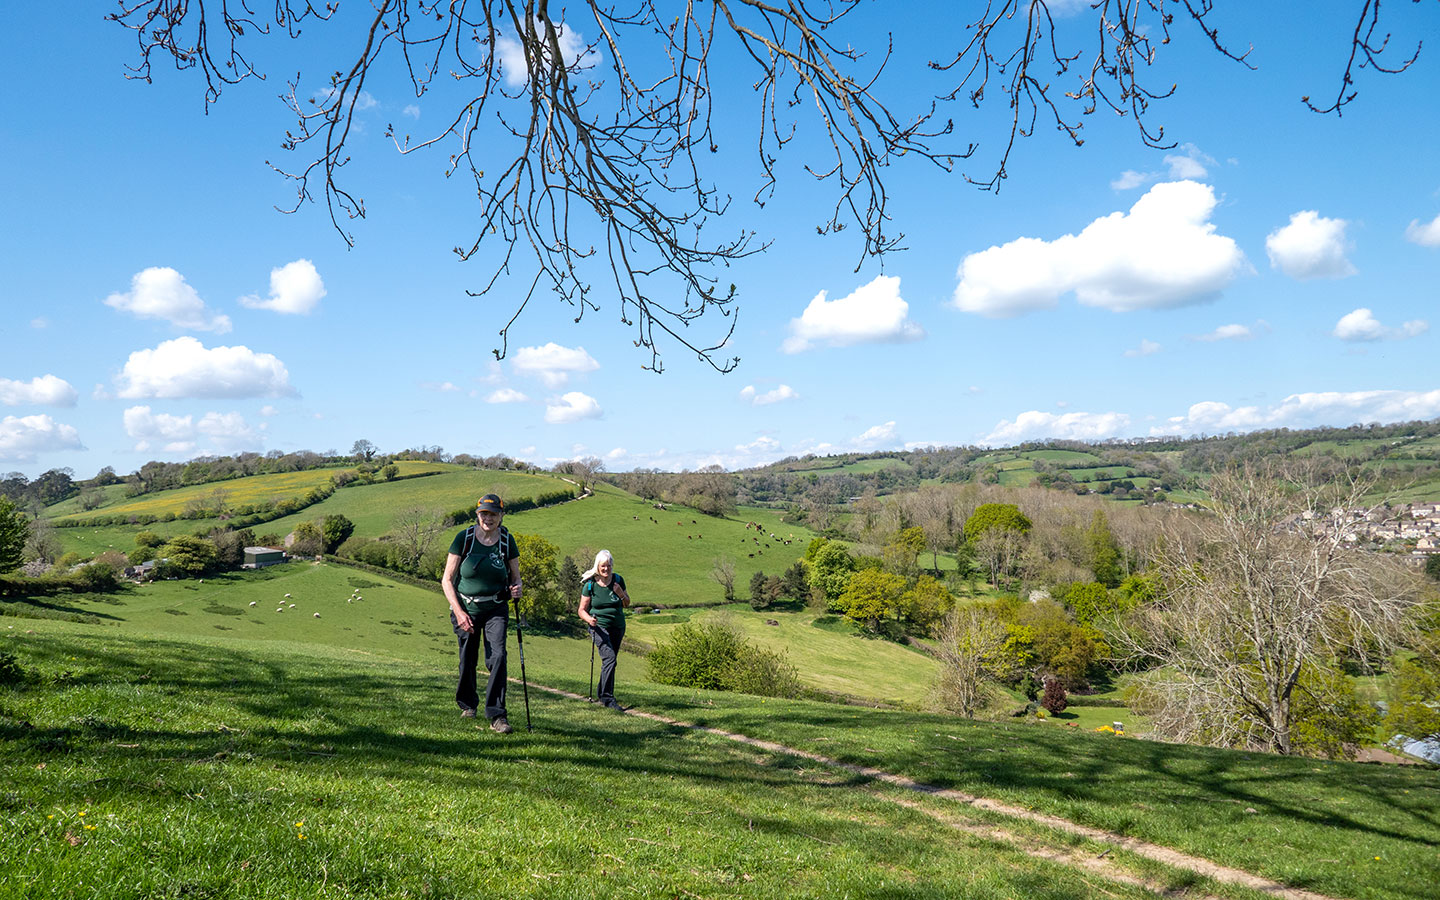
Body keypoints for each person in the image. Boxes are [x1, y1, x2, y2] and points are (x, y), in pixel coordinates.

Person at [441, 494, 522, 734]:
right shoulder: (463, 539)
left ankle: (497, 715)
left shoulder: (506, 541)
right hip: (465, 607)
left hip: (496, 607)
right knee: (468, 658)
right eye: (484, 514)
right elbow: (447, 579)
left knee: (498, 656)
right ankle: (467, 704)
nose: (488, 518)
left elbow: (516, 576)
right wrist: (459, 611)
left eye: (493, 514)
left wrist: (517, 588)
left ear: (501, 516)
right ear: (477, 515)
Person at [578, 549, 630, 710]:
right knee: (610, 659)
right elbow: (581, 610)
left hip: (618, 626)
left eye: (608, 566)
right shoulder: (590, 585)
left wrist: (620, 594)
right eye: (603, 566)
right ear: (597, 567)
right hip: (598, 627)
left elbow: (627, 603)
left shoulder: (618, 580)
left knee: (610, 661)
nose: (606, 569)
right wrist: (589, 619)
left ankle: (602, 693)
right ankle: (608, 698)